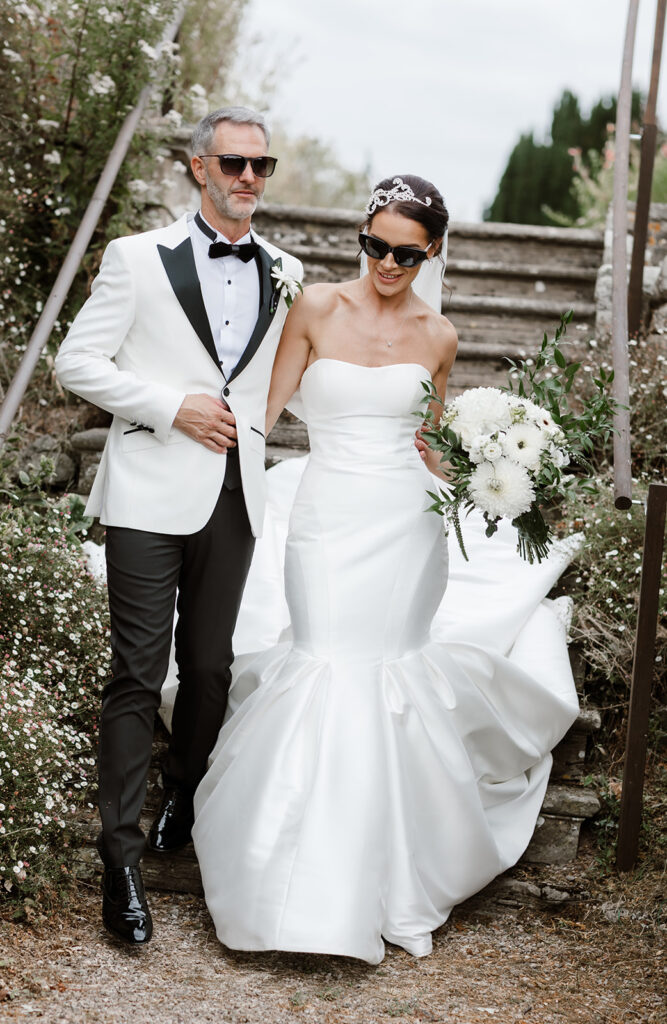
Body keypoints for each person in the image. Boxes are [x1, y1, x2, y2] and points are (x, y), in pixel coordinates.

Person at [188, 175, 580, 965]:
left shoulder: (440, 336)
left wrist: (501, 469)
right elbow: (264, 415)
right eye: (375, 246)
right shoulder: (314, 309)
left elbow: (432, 442)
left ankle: (383, 878)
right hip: (328, 514)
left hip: (406, 526)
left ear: (431, 250)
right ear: (359, 236)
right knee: (324, 659)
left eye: (406, 252)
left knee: (382, 671)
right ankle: (281, 873)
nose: (387, 263)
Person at [54, 106, 303, 945]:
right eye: (233, 164)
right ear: (198, 168)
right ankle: (118, 862)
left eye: (261, 166)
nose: (248, 180)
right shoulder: (134, 259)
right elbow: (75, 362)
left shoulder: (287, 269)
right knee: (135, 671)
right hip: (146, 492)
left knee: (208, 669)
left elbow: (289, 376)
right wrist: (170, 409)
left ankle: (187, 796)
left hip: (235, 493)